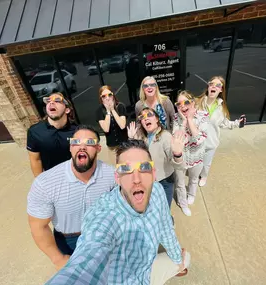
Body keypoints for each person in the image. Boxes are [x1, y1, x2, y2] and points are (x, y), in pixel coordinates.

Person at [46, 140, 190, 285]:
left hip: (147, 272)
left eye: (144, 167)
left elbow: (165, 228)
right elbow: (88, 258)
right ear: (117, 178)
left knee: (186, 258)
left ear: (153, 174)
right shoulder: (106, 216)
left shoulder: (157, 191)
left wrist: (179, 260)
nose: (136, 179)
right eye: (126, 169)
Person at [27, 125, 116, 270]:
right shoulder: (46, 182)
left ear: (99, 148)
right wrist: (58, 259)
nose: (82, 147)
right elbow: (38, 226)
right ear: (70, 148)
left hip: (103, 235)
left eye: (89, 143)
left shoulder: (111, 175)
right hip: (69, 240)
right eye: (76, 142)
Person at [127, 108, 184, 207]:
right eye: (142, 117)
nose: (146, 119)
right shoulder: (142, 138)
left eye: (149, 115)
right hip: (149, 180)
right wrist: (131, 140)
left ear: (157, 119)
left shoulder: (165, 137)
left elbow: (178, 165)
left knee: (165, 207)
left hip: (164, 181)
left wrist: (177, 154)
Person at [195, 76, 246, 187]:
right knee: (196, 162)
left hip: (211, 143)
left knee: (206, 164)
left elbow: (225, 123)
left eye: (218, 85)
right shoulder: (197, 103)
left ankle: (204, 176)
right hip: (197, 142)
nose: (213, 86)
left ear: (221, 90)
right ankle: (195, 174)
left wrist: (238, 123)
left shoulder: (221, 108)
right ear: (208, 87)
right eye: (211, 84)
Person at [173, 91, 209, 216]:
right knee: (180, 182)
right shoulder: (176, 118)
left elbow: (198, 139)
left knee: (193, 179)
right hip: (181, 158)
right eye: (179, 103)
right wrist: (183, 122)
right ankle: (183, 203)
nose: (182, 106)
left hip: (196, 157)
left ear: (192, 102)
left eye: (186, 102)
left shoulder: (203, 116)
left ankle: (192, 194)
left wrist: (189, 119)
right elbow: (177, 139)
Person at [27, 93, 77, 177]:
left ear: (67, 110)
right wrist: (40, 182)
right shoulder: (35, 131)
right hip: (52, 179)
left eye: (57, 101)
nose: (51, 103)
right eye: (48, 101)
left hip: (76, 176)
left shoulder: (77, 131)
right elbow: (35, 159)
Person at [96, 85, 128, 165]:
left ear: (113, 95)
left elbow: (122, 125)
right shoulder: (99, 111)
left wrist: (113, 109)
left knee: (128, 166)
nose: (107, 98)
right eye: (104, 96)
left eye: (109, 95)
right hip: (112, 147)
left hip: (124, 144)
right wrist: (108, 111)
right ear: (101, 98)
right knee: (115, 168)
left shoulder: (120, 106)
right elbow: (106, 129)